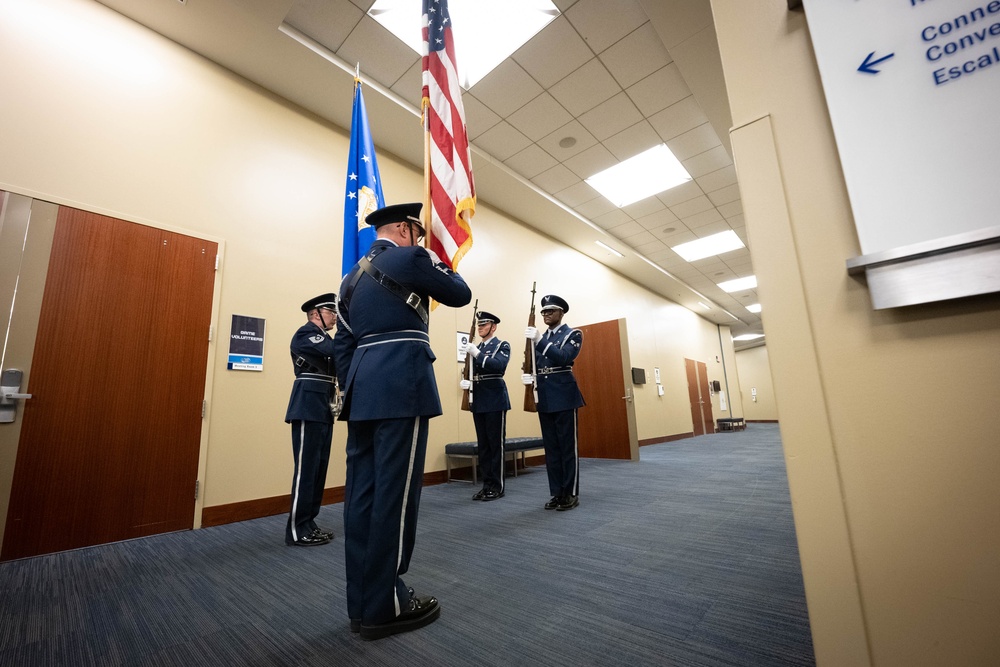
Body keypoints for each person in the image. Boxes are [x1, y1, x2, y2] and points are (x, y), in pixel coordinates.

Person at [333, 202, 471, 641]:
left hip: (362, 389)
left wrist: (358, 384)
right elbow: (459, 292)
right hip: (402, 384)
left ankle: (361, 603)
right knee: (396, 496)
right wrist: (437, 255)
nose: (420, 238)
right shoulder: (412, 257)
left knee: (361, 498)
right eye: (417, 231)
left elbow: (342, 347)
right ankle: (387, 605)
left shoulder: (348, 279)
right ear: (403, 229)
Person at [284, 293, 339, 547]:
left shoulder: (324, 337)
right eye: (331, 312)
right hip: (307, 405)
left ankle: (309, 522)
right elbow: (334, 352)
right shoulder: (306, 333)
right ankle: (296, 529)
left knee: (318, 469)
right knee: (306, 470)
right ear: (316, 313)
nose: (335, 316)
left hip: (323, 407)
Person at [521, 294, 585, 511]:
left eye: (551, 311)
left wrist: (539, 340)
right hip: (545, 396)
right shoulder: (537, 337)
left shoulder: (572, 334)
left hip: (564, 395)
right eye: (544, 312)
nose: (546, 315)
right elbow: (533, 362)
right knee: (552, 448)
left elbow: (564, 357)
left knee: (567, 447)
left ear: (561, 313)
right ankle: (557, 492)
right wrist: (529, 375)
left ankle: (571, 492)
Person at [460, 311, 511, 501]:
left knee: (495, 444)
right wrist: (466, 381)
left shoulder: (501, 345)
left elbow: (498, 366)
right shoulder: (476, 347)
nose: (480, 327)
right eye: (479, 325)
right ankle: (487, 484)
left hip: (495, 398)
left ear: (493, 327)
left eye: (484, 324)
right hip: (479, 398)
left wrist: (477, 353)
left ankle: (498, 486)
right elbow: (470, 369)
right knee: (483, 446)